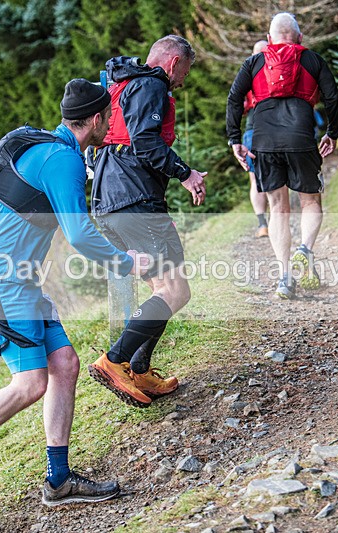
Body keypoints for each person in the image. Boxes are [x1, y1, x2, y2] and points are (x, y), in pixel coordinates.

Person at [0, 79, 150, 526]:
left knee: (65, 365)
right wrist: (126, 262)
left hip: (20, 284)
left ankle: (58, 480)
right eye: (109, 116)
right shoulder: (62, 160)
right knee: (30, 383)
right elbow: (79, 234)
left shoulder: (51, 150)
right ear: (95, 119)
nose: (112, 123)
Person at [88, 35, 207, 408]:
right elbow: (145, 142)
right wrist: (185, 173)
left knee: (165, 289)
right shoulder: (152, 84)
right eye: (185, 72)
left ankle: (139, 369)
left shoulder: (124, 85)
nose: (183, 81)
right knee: (174, 290)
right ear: (174, 63)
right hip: (134, 199)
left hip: (111, 200)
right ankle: (115, 360)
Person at [226, 12, 338, 299]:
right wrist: (332, 133)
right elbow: (332, 97)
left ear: (269, 39)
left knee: (277, 207)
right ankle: (305, 249)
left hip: (264, 139)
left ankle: (285, 277)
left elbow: (234, 99)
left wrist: (235, 139)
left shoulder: (254, 62)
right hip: (301, 136)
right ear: (299, 37)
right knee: (310, 201)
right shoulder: (312, 59)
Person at [241, 40, 270, 238]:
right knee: (275, 174)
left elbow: (240, 105)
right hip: (274, 126)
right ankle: (274, 220)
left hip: (253, 126)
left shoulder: (247, 72)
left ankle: (262, 225)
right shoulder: (278, 70)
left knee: (255, 178)